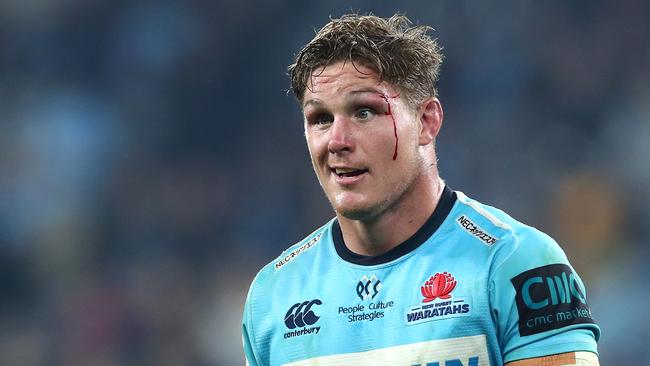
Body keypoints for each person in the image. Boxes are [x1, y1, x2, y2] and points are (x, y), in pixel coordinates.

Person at [242, 13, 600, 366]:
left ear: (427, 121)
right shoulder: (273, 294)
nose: (337, 141)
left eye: (364, 112)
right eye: (320, 118)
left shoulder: (516, 264)